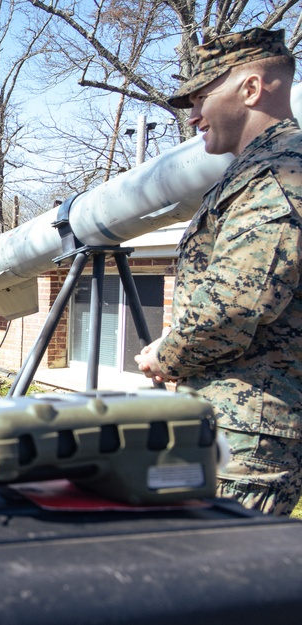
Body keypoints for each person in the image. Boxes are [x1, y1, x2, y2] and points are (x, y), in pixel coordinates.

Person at [135, 28, 302, 515]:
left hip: (248, 432)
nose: (192, 116)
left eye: (202, 96)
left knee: (208, 577)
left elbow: (235, 303)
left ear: (251, 90)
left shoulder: (281, 172)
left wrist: (167, 354)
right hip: (226, 420)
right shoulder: (255, 169)